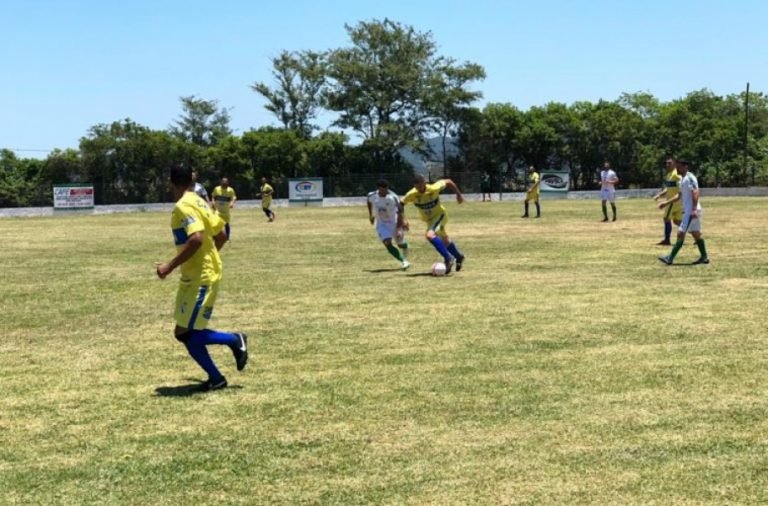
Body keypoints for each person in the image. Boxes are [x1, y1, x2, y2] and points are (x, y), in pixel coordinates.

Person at [155, 165, 248, 391]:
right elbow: (222, 235)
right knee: (182, 332)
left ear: (171, 183)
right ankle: (216, 378)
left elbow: (196, 239)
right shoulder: (200, 201)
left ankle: (234, 340)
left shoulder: (183, 206)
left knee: (188, 333)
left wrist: (169, 266)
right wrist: (210, 257)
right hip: (197, 275)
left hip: (200, 277)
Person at [401, 174, 465, 274]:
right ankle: (459, 257)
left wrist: (458, 194)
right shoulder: (412, 194)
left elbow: (448, 181)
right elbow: (401, 204)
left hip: (440, 215)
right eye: (417, 188)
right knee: (445, 240)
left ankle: (448, 258)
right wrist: (403, 219)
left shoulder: (434, 188)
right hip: (430, 220)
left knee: (430, 235)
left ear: (424, 183)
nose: (419, 189)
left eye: (421, 187)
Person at [657, 159, 710, 265]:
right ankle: (704, 257)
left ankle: (670, 258)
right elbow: (679, 196)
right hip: (688, 210)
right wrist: (666, 203)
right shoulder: (683, 179)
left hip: (691, 211)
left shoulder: (690, 178)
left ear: (685, 167)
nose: (677, 169)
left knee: (681, 233)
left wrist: (694, 209)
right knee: (696, 234)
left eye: (679, 167)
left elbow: (695, 192)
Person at [367, 179, 410, 270]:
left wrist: (399, 227)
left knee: (400, 244)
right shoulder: (372, 195)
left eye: (386, 189)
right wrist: (371, 214)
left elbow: (400, 211)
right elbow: (369, 201)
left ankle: (405, 246)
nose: (384, 192)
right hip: (381, 223)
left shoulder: (393, 197)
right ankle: (403, 261)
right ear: (378, 189)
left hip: (394, 221)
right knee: (387, 242)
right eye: (382, 190)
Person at [652, 158, 682, 245]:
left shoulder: (676, 174)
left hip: (673, 201)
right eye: (666, 163)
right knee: (677, 221)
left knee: (666, 219)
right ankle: (694, 231)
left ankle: (667, 240)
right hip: (675, 201)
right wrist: (659, 195)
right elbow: (668, 188)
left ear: (675, 164)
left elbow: (681, 186)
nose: (667, 165)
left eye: (669, 163)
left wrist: (666, 202)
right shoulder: (669, 174)